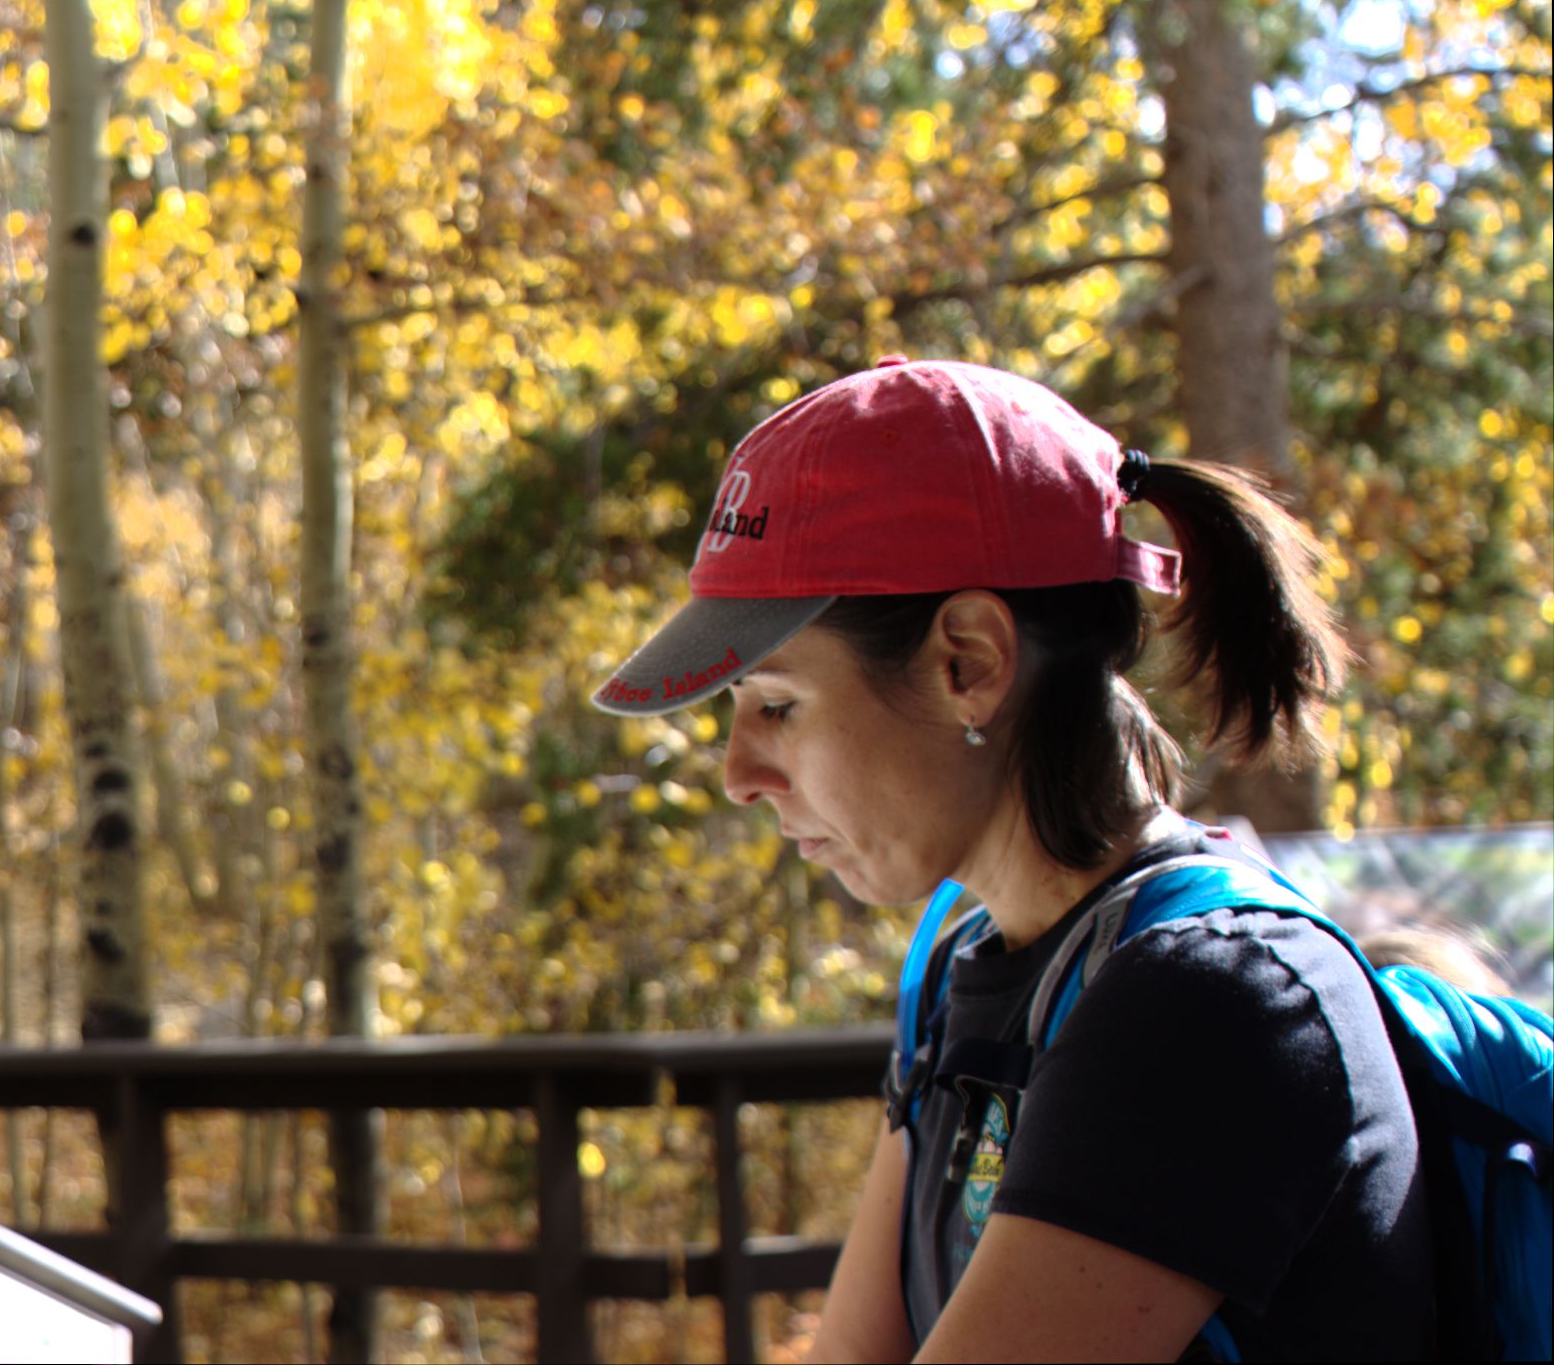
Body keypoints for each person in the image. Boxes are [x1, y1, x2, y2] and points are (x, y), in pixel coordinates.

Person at [591, 356, 1434, 1360]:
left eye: (777, 705)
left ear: (969, 662)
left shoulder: (1209, 999)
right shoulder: (964, 973)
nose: (737, 774)